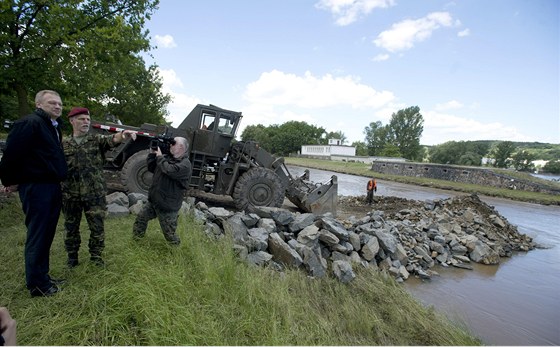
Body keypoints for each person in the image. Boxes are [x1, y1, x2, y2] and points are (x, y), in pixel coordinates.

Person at [0, 90, 68, 297]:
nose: (57, 106)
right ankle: (37, 286)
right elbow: (12, 154)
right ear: (39, 105)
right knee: (38, 235)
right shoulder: (29, 123)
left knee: (47, 234)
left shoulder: (53, 127)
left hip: (51, 186)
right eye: (51, 103)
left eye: (59, 104)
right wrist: (10, 181)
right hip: (37, 187)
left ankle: (43, 276)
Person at [62, 107, 137, 268]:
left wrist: (123, 135)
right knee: (71, 227)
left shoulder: (96, 141)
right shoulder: (64, 144)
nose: (86, 122)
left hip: (94, 194)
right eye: (81, 119)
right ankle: (72, 257)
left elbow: (112, 140)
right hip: (70, 195)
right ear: (72, 121)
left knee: (97, 228)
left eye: (87, 120)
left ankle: (96, 258)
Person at [132, 137, 191, 245]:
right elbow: (151, 168)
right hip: (155, 200)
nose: (170, 145)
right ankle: (136, 242)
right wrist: (152, 154)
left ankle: (177, 253)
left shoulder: (185, 165)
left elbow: (169, 170)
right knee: (141, 218)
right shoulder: (167, 158)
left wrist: (159, 157)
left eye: (173, 144)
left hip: (167, 205)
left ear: (181, 147)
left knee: (170, 235)